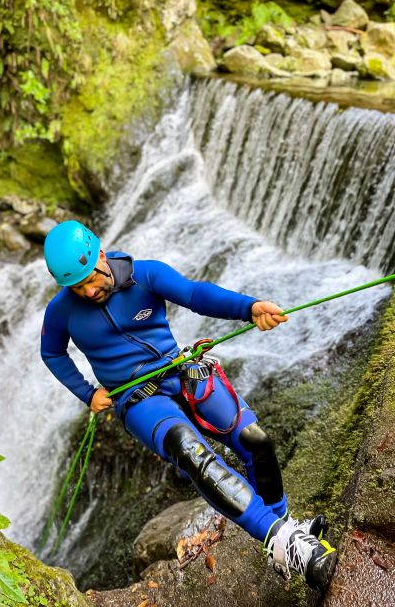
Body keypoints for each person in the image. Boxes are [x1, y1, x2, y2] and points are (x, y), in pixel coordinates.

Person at [40, 220, 337, 591]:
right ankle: (281, 540)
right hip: (137, 399)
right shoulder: (62, 310)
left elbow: (196, 295)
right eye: (77, 286)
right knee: (191, 451)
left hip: (180, 370)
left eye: (91, 278)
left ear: (101, 254)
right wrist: (87, 393)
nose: (88, 290)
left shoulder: (144, 275)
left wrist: (250, 308)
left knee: (255, 439)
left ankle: (286, 530)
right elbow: (51, 352)